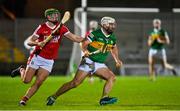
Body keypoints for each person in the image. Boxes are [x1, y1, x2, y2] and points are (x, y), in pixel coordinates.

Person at [11, 8, 84, 106]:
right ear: (48, 17)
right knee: (26, 81)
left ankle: (24, 100)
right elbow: (29, 41)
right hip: (37, 57)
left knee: (38, 82)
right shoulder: (41, 28)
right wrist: (38, 43)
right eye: (53, 15)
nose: (56, 17)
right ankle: (21, 69)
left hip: (49, 61)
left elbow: (75, 38)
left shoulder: (61, 28)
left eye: (56, 15)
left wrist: (88, 39)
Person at [46, 16, 123, 106]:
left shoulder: (112, 37)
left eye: (114, 24)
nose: (113, 26)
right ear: (104, 25)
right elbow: (84, 43)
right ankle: (53, 97)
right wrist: (85, 51)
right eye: (111, 24)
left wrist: (117, 59)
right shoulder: (95, 34)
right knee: (75, 83)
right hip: (88, 61)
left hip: (99, 64)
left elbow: (114, 48)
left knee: (112, 77)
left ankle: (104, 98)